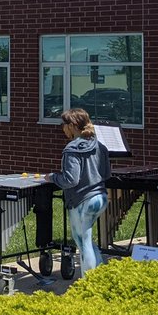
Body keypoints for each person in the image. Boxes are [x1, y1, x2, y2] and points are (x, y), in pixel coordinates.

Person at [46, 108, 111, 276]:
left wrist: (52, 177)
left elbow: (71, 180)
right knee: (88, 239)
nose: (62, 128)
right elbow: (106, 174)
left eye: (64, 125)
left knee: (83, 241)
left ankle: (88, 283)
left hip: (83, 200)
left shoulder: (72, 149)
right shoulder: (100, 146)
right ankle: (100, 276)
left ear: (73, 126)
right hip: (101, 197)